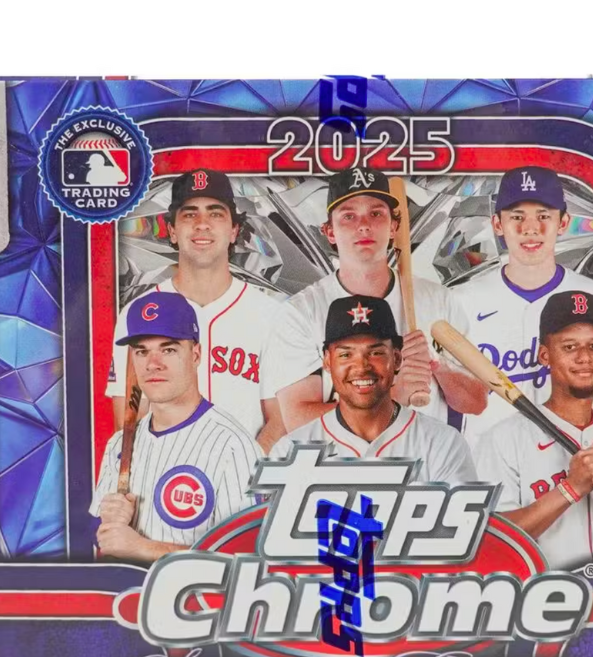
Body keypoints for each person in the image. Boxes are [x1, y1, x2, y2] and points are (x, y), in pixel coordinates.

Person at [261, 167, 486, 431]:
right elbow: (298, 420)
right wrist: (390, 398)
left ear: (394, 227)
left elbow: (477, 402)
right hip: (343, 457)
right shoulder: (301, 312)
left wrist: (438, 365)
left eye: (376, 213)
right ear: (329, 231)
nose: (364, 225)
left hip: (426, 454)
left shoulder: (439, 300)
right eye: (349, 216)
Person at [455, 166, 593, 442]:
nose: (530, 228)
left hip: (568, 459)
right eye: (517, 216)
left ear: (563, 222)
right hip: (487, 457)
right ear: (497, 224)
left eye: (543, 216)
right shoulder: (462, 300)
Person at [474, 290, 593, 568]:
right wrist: (570, 489)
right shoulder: (502, 440)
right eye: (569, 347)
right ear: (545, 355)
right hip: (541, 592)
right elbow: (492, 542)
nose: (584, 357)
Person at [106, 169, 285, 450]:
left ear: (234, 231)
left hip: (246, 473)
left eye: (215, 213)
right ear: (172, 231)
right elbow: (129, 421)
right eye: (190, 214)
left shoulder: (272, 315)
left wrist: (243, 469)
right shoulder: (136, 313)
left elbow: (281, 420)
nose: (202, 224)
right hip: (164, 472)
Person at [92, 292, 260, 562]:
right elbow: (105, 541)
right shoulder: (119, 445)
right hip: (126, 588)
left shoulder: (233, 447)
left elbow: (246, 560)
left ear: (196, 354)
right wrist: (109, 523)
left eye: (168, 349)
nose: (153, 364)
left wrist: (144, 548)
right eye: (142, 351)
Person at [270, 296, 476, 486]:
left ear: (397, 358)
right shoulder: (290, 453)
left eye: (376, 352)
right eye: (346, 355)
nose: (361, 367)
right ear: (327, 361)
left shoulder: (442, 444)